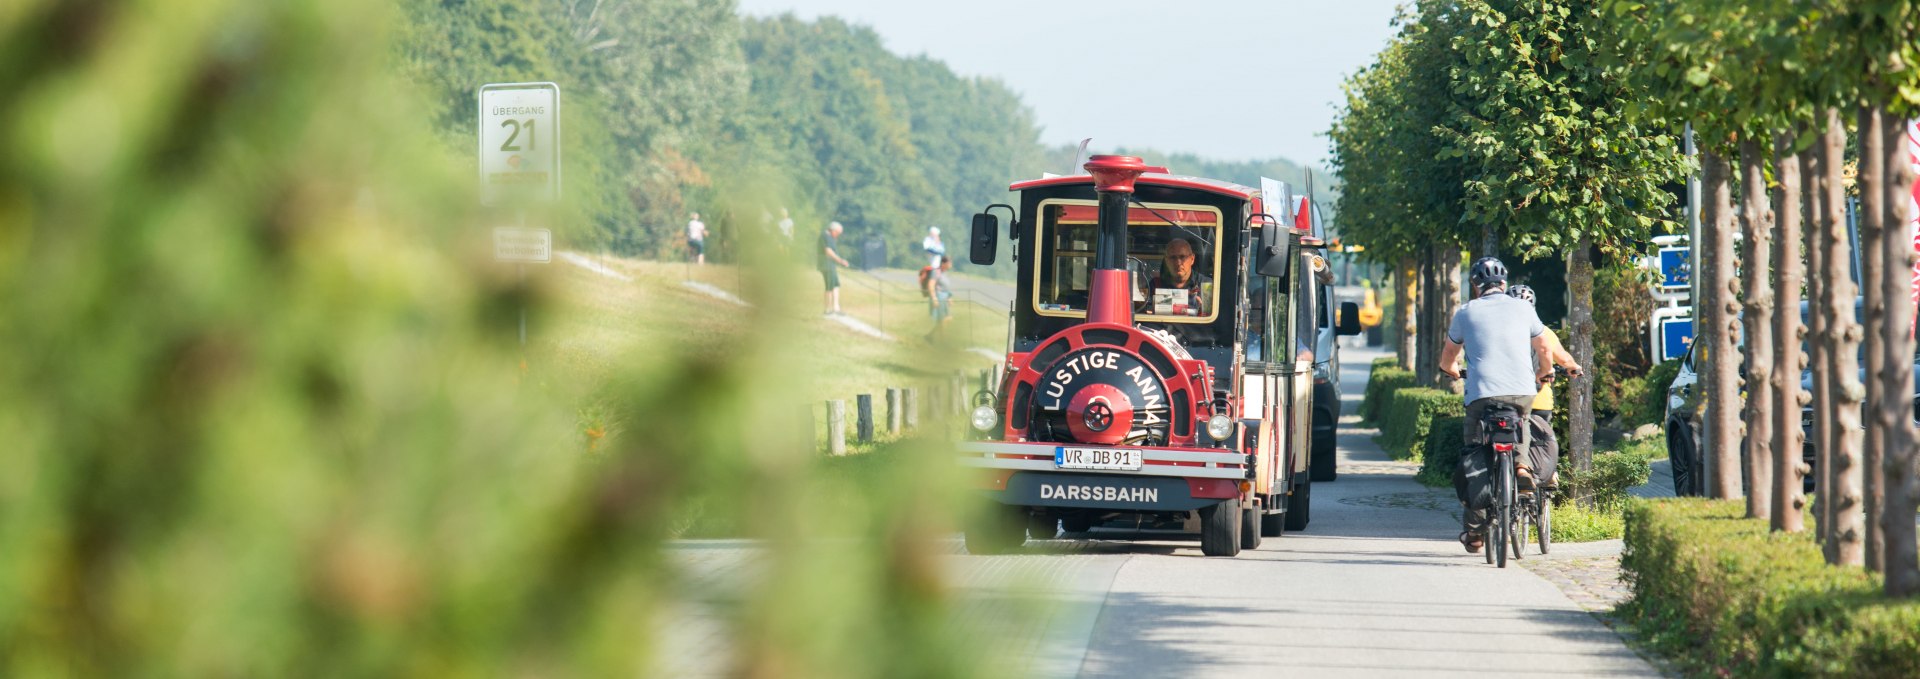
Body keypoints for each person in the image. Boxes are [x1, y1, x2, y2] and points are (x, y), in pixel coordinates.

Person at [1437, 257, 1579, 553]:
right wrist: (1542, 372)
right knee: (1523, 421)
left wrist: (1451, 370)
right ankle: (1523, 468)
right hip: (1522, 392)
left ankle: (1475, 533)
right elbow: (1543, 347)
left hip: (1481, 394)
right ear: (1504, 283)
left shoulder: (1465, 312)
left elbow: (1449, 355)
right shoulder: (1525, 309)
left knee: (1474, 450)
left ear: (1476, 286)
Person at [1505, 284, 1580, 492]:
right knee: (1543, 436)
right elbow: (1563, 358)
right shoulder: (1544, 331)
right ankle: (1549, 474)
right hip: (1539, 399)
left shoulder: (1501, 332)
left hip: (1507, 396)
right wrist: (1574, 367)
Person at [1142, 238, 1210, 316]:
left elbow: (1209, 321)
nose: (1178, 263)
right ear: (1166, 260)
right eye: (1173, 257)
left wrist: (1202, 311)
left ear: (1192, 259)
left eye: (1182, 257)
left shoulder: (1206, 286)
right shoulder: (1154, 285)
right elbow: (1146, 315)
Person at [819, 221, 850, 315]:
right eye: (837, 233)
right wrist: (840, 261)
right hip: (826, 265)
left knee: (835, 285)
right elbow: (828, 251)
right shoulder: (825, 236)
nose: (837, 235)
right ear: (833, 230)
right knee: (829, 287)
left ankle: (836, 308)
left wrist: (840, 261)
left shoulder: (830, 237)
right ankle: (827, 310)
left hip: (831, 265)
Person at [923, 255, 954, 342]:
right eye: (949, 262)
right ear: (943, 263)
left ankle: (930, 336)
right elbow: (931, 284)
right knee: (942, 320)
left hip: (944, 298)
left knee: (947, 318)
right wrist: (934, 298)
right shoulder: (936, 272)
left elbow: (945, 287)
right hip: (939, 298)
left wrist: (949, 298)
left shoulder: (944, 273)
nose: (951, 264)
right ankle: (942, 341)